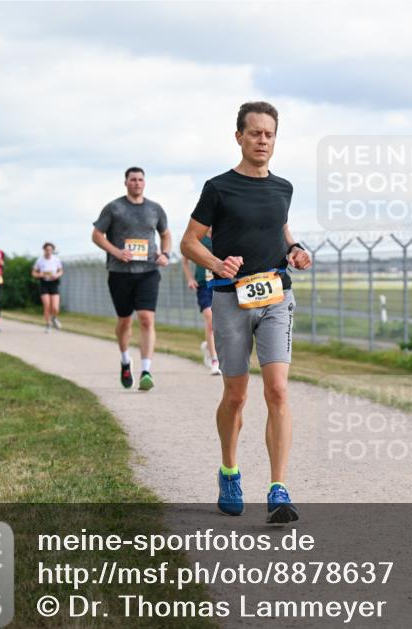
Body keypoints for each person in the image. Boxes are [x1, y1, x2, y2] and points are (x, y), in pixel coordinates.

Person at [180, 101, 312, 523]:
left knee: (278, 390)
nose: (262, 140)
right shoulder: (218, 188)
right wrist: (217, 264)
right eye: (254, 133)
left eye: (269, 134)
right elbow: (189, 242)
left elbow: (280, 228)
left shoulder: (283, 188)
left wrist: (296, 249)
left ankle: (278, 489)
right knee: (236, 396)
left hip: (276, 296)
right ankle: (229, 471)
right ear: (238, 136)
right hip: (230, 299)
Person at [91, 166, 171, 391]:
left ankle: (146, 371)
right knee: (125, 321)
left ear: (145, 183)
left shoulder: (155, 209)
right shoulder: (114, 207)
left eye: (140, 179)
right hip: (120, 272)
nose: (137, 183)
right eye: (133, 179)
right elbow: (96, 235)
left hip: (148, 271)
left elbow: (166, 234)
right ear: (125, 182)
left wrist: (165, 254)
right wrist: (116, 252)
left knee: (146, 318)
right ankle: (125, 360)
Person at [182, 227, 221, 376]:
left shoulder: (222, 235)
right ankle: (214, 360)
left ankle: (209, 347)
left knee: (221, 322)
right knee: (210, 319)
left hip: (220, 284)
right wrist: (190, 278)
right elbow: (185, 260)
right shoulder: (199, 238)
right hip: (204, 285)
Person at [31, 242, 64, 332]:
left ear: (52, 250)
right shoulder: (39, 260)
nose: (48, 251)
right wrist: (40, 274)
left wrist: (57, 275)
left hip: (54, 283)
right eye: (47, 250)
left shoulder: (56, 260)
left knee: (55, 307)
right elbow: (33, 273)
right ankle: (48, 324)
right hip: (44, 283)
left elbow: (61, 271)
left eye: (50, 250)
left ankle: (54, 318)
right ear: (44, 250)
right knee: (47, 305)